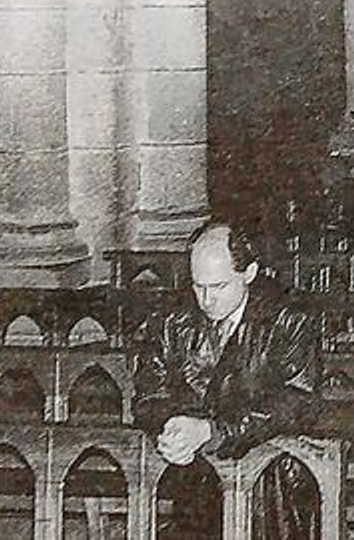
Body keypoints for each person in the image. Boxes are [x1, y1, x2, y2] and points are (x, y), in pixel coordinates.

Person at [133, 222, 322, 538]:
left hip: (271, 485)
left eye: (219, 287)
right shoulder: (170, 320)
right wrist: (171, 427)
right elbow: (149, 393)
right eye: (198, 286)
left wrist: (214, 430)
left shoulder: (289, 317)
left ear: (249, 273)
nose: (207, 300)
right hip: (194, 478)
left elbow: (298, 400)